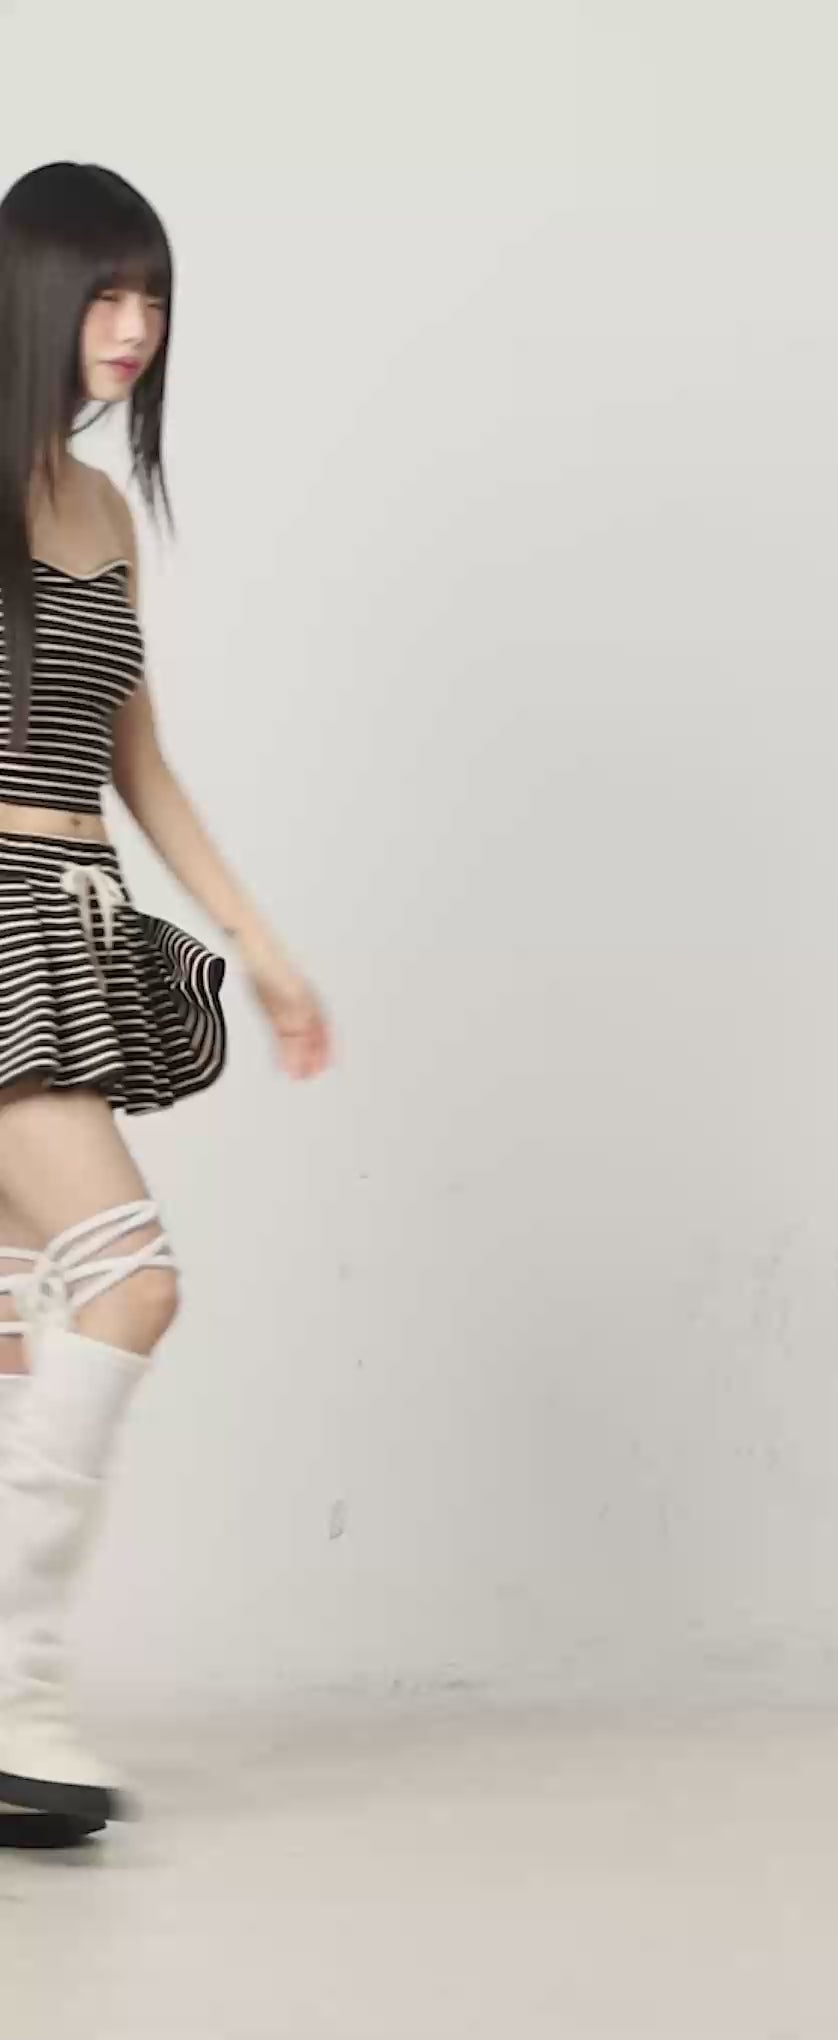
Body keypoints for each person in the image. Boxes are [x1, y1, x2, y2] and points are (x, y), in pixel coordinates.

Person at [0, 161, 330, 1849]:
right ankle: (16, 1687)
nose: (132, 329)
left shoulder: (99, 511)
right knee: (128, 1281)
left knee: (18, 1334)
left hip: (75, 921)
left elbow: (137, 764)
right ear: (37, 295)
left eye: (153, 299)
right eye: (105, 294)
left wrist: (256, 943)